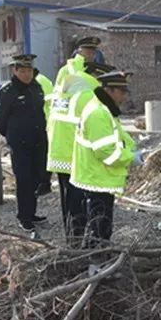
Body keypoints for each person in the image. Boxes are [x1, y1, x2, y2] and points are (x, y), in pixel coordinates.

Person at [70, 70, 139, 246]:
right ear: (109, 91)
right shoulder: (98, 113)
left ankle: (97, 256)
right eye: (121, 92)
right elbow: (106, 152)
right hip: (96, 178)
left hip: (97, 176)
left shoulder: (104, 109)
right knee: (100, 225)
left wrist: (132, 146)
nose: (124, 96)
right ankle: (98, 261)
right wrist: (130, 157)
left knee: (100, 223)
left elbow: (119, 134)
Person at [47, 60, 111, 244]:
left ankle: (71, 240)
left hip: (59, 154)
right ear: (97, 77)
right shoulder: (89, 95)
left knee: (67, 201)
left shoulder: (65, 90)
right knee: (79, 202)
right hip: (75, 156)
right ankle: (76, 243)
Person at [0, 54, 49, 233]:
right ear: (15, 70)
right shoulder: (7, 91)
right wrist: (11, 136)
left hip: (38, 140)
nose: (26, 74)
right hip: (20, 143)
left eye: (29, 70)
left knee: (35, 177)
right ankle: (24, 217)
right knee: (24, 179)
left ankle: (32, 213)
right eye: (23, 71)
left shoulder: (36, 87)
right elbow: (0, 119)